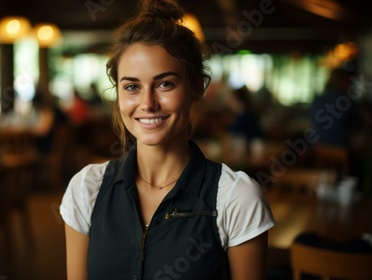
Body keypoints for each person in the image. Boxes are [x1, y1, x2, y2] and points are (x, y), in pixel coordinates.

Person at [59, 1, 275, 279]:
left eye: (165, 84)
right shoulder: (85, 190)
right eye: (132, 87)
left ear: (196, 88)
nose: (147, 103)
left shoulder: (238, 198)